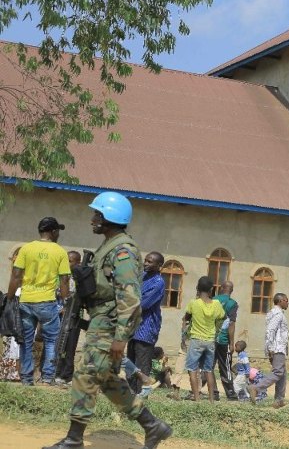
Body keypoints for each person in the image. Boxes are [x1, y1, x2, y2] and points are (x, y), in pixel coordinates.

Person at [44, 192, 172, 449]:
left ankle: (74, 439)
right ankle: (153, 426)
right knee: (107, 380)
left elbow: (130, 296)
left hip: (110, 324)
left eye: (97, 215)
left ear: (111, 218)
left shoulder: (122, 250)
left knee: (86, 374)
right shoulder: (109, 245)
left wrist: (120, 338)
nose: (92, 219)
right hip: (101, 320)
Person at [7, 217, 70, 386]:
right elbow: (64, 280)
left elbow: (16, 275)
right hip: (47, 303)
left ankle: (27, 379)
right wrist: (65, 302)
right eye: (58, 231)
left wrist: (10, 299)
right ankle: (47, 377)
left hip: (26, 301)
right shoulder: (60, 252)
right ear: (53, 231)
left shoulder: (26, 249)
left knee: (26, 340)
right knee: (51, 340)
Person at [182, 276, 226, 402]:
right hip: (210, 341)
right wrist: (216, 329)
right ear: (211, 289)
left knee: (192, 369)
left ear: (197, 288)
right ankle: (212, 400)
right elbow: (222, 317)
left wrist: (184, 335)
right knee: (208, 370)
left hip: (196, 340)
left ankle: (196, 398)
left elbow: (186, 318)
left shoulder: (193, 303)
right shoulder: (216, 304)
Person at [127, 251, 164, 394]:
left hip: (146, 329)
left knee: (142, 365)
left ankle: (140, 396)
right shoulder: (142, 276)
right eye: (146, 261)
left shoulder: (158, 282)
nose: (146, 264)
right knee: (130, 363)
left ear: (159, 265)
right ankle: (130, 395)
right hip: (133, 326)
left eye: (150, 262)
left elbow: (144, 304)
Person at [54, 250, 83, 387]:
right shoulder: (60, 276)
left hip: (74, 316)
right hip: (59, 315)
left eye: (70, 261)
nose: (67, 263)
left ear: (78, 263)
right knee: (58, 345)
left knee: (70, 347)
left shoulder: (80, 279)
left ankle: (67, 375)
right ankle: (56, 373)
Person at [261, 292, 289, 408]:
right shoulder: (278, 314)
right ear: (280, 301)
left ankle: (279, 400)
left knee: (282, 374)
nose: (288, 303)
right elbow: (270, 331)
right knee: (278, 372)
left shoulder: (274, 313)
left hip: (276, 348)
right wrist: (271, 349)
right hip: (277, 348)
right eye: (286, 300)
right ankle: (256, 388)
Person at [212, 280, 238, 401]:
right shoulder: (232, 303)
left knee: (208, 366)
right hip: (223, 340)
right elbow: (231, 324)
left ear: (221, 288)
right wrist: (232, 343)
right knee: (226, 367)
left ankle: (214, 392)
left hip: (211, 338)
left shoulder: (213, 300)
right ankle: (231, 393)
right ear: (231, 290)